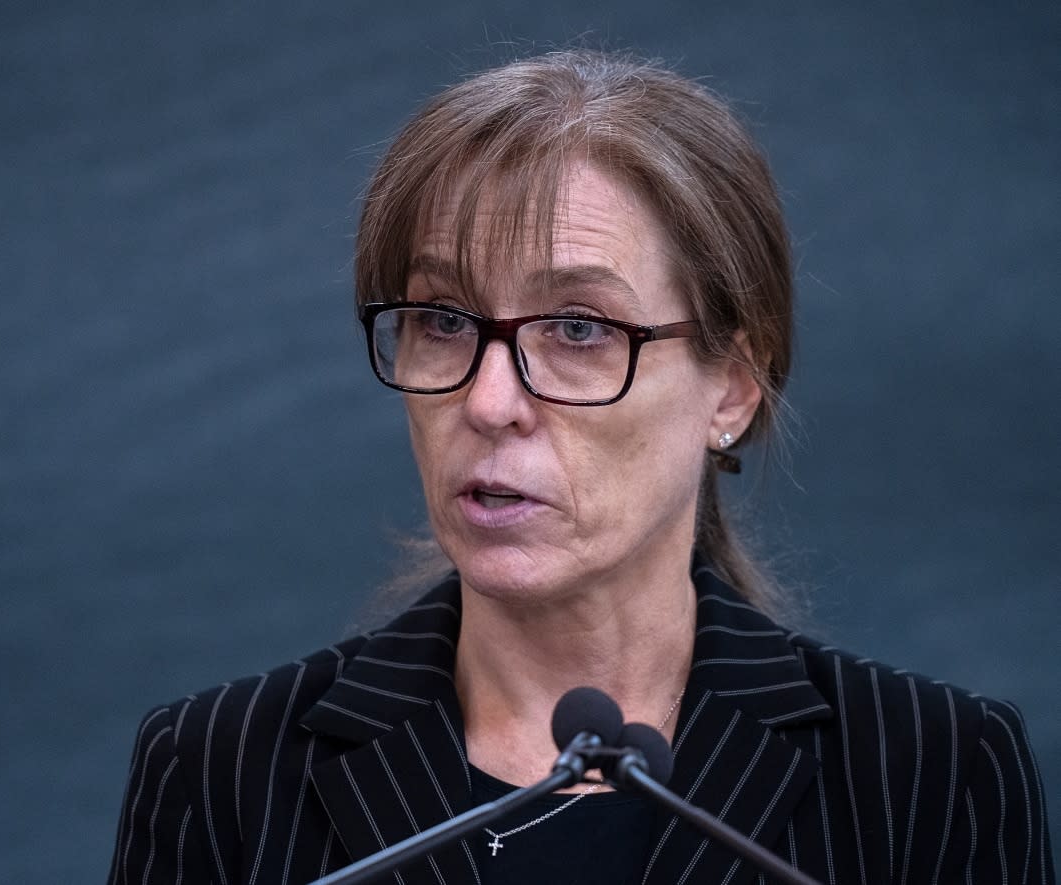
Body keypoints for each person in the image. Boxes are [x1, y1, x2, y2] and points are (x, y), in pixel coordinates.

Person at [106, 50, 1053, 884]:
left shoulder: (935, 776)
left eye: (578, 329)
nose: (487, 401)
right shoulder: (219, 774)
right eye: (442, 320)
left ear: (732, 385)